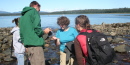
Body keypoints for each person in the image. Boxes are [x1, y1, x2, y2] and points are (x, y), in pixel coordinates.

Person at [19, 1, 51, 65]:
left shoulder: (23, 16)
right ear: (36, 6)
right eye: (39, 8)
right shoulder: (34, 12)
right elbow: (37, 29)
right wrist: (45, 31)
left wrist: (25, 44)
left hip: (28, 46)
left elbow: (21, 32)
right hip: (36, 45)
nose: (39, 10)